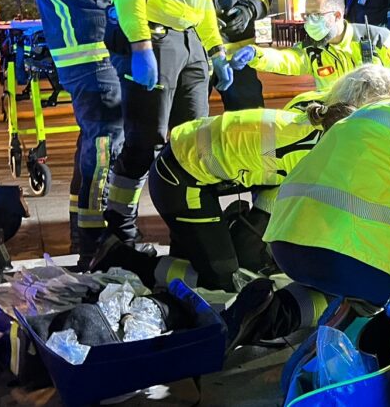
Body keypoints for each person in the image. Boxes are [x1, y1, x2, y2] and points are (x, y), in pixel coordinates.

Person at [216, 66, 390, 352]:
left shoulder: (348, 124)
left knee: (343, 281)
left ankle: (275, 312)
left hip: (287, 243)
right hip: (349, 249)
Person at [102, 0, 250, 246]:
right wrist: (140, 45)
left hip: (190, 47)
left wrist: (216, 52)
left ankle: (193, 234)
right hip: (155, 38)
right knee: (143, 142)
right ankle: (118, 231)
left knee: (194, 144)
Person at [91, 101, 331, 292]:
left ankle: (207, 244)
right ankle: (121, 258)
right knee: (225, 281)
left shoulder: (318, 111)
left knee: (222, 260)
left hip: (195, 169)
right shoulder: (315, 157)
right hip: (180, 180)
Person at [21, 0, 123, 267]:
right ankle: (95, 242)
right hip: (91, 55)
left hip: (82, 55)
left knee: (93, 145)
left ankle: (87, 234)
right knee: (104, 146)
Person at [230, 0, 390, 90]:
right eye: (306, 16)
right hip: (337, 128)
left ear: (337, 15)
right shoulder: (313, 49)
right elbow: (287, 59)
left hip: (381, 125)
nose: (309, 22)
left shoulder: (379, 41)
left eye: (315, 15)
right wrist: (255, 54)